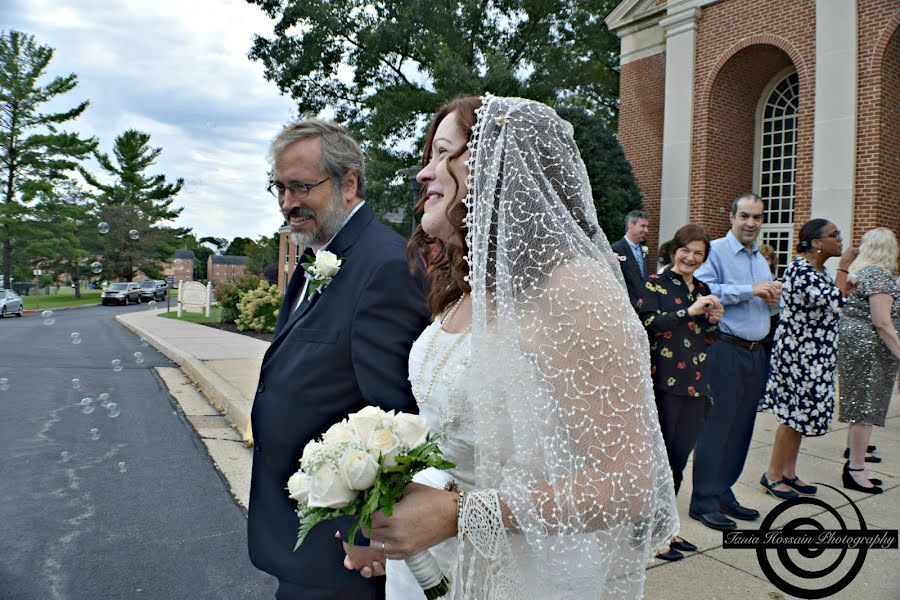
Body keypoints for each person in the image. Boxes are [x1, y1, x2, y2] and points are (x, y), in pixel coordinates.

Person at [343, 96, 677, 599]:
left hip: (526, 573)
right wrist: (394, 527)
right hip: (431, 559)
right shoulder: (469, 286)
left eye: (443, 154)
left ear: (495, 167)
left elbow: (631, 487)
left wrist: (460, 515)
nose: (423, 174)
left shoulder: (573, 290)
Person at [247, 119, 430, 600]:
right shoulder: (318, 255)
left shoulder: (386, 265)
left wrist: (363, 531)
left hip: (341, 557)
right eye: (280, 188)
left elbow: (398, 417)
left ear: (349, 182)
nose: (288, 203)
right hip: (298, 537)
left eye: (301, 187)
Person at [688, 192, 782, 531]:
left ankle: (723, 490)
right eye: (745, 216)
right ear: (732, 217)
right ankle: (703, 499)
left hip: (756, 354)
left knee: (742, 427)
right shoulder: (716, 251)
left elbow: (764, 303)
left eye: (757, 217)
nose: (751, 223)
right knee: (717, 426)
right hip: (725, 351)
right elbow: (704, 290)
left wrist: (772, 298)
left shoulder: (760, 259)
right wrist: (750, 290)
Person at [638, 224, 723, 562]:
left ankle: (668, 527)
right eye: (685, 249)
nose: (690, 257)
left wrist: (713, 320)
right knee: (659, 462)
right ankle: (648, 534)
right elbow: (647, 323)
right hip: (665, 383)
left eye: (698, 253)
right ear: (674, 250)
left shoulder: (702, 288)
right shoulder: (655, 284)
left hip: (696, 385)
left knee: (677, 461)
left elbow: (706, 338)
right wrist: (688, 312)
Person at [759, 219, 854, 501]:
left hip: (816, 356)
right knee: (792, 417)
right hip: (799, 356)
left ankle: (789, 472)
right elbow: (836, 301)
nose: (840, 240)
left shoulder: (818, 271)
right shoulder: (800, 270)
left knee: (802, 418)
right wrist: (845, 264)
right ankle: (773, 475)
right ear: (815, 243)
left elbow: (832, 302)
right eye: (834, 235)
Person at [837, 227, 900, 494]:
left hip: (857, 347)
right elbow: (883, 323)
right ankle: (856, 470)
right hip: (870, 350)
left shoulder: (861, 273)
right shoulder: (880, 276)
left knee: (860, 410)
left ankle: (857, 464)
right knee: (865, 412)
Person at [611, 210, 651, 310]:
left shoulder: (643, 250)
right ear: (630, 224)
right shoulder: (615, 249)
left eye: (647, 226)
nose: (646, 230)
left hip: (644, 307)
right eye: (643, 226)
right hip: (625, 307)